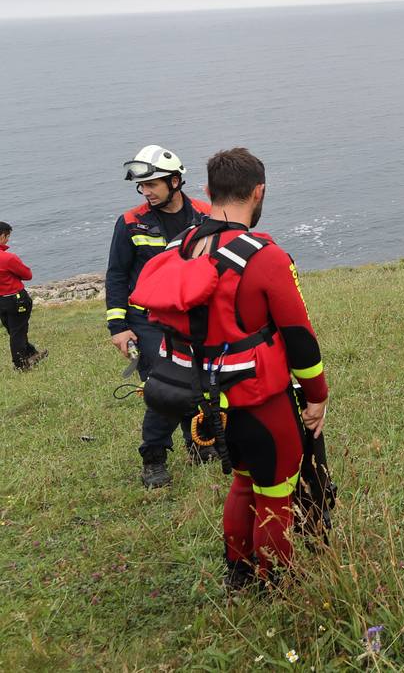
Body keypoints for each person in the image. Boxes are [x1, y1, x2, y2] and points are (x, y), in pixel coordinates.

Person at [130, 147, 329, 592]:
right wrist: (317, 395)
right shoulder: (266, 256)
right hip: (262, 403)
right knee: (275, 494)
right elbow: (299, 338)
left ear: (205, 191)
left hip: (209, 405)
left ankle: (238, 574)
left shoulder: (184, 246)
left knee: (242, 484)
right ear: (259, 192)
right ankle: (275, 583)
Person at [106, 145, 213, 487]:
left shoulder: (206, 215)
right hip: (148, 321)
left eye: (152, 184)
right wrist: (118, 327)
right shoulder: (130, 223)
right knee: (165, 388)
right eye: (142, 186)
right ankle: (153, 458)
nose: (145, 192)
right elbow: (117, 276)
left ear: (176, 181)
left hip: (193, 318)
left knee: (198, 383)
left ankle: (197, 442)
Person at [0, 222, 46, 371]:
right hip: (16, 299)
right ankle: (21, 364)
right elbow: (27, 275)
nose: (7, 240)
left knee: (14, 330)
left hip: (1, 301)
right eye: (7, 237)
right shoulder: (8, 258)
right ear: (2, 236)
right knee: (18, 332)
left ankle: (31, 353)